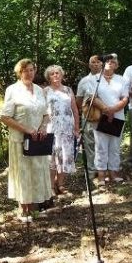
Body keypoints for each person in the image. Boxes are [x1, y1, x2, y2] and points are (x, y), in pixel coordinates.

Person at [0, 58, 53, 222]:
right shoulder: (13, 90)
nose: (29, 73)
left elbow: (46, 114)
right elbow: (5, 117)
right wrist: (27, 129)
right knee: (23, 174)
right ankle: (23, 210)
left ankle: (35, 208)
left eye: (31, 70)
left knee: (37, 171)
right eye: (25, 70)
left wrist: (43, 127)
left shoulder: (39, 89)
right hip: (21, 140)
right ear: (19, 72)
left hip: (38, 140)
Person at [91, 54, 129, 185]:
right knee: (100, 145)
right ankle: (101, 175)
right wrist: (106, 110)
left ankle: (114, 172)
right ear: (102, 63)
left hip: (118, 116)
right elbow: (93, 97)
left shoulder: (122, 80)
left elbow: (125, 98)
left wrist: (113, 110)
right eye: (107, 61)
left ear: (117, 65)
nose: (109, 63)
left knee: (115, 145)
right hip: (100, 116)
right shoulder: (95, 79)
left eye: (113, 62)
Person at [44, 65, 80, 194]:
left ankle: (61, 184)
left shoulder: (68, 90)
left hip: (67, 128)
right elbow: (41, 111)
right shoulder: (45, 91)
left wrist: (76, 128)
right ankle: (51, 187)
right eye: (52, 74)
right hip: (51, 128)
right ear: (48, 77)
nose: (55, 75)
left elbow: (75, 110)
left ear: (61, 74)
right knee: (52, 156)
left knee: (65, 156)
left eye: (57, 73)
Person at [76, 55, 103, 173]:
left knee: (103, 143)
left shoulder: (107, 78)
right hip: (90, 117)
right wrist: (86, 111)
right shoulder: (84, 81)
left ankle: (104, 169)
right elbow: (78, 100)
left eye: (98, 62)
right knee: (90, 144)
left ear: (102, 64)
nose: (96, 64)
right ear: (89, 65)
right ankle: (92, 171)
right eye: (93, 62)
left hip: (106, 116)